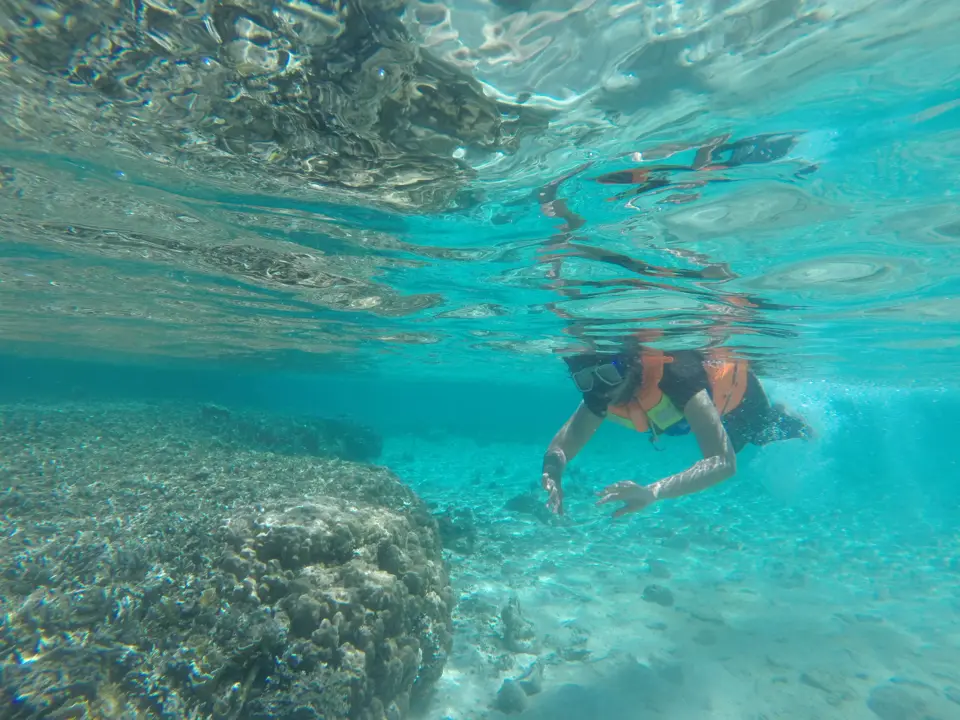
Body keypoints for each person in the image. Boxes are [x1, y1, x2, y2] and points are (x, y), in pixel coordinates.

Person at [540, 342, 813, 518]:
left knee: (758, 434)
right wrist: (553, 474)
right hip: (697, 415)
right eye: (585, 379)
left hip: (740, 403)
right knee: (737, 439)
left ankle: (795, 417)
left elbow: (723, 462)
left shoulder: (678, 376)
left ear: (629, 367)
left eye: (609, 375)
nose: (602, 388)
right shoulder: (597, 390)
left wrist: (653, 491)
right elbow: (560, 447)